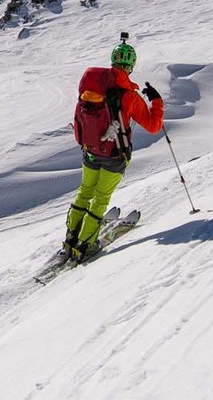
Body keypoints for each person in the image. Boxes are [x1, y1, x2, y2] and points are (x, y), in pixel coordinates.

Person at [64, 32, 165, 262]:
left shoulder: (92, 89)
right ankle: (86, 244)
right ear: (131, 65)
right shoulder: (129, 96)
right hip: (114, 155)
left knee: (84, 193)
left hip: (90, 151)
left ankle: (71, 238)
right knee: (100, 199)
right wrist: (157, 102)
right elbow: (153, 126)